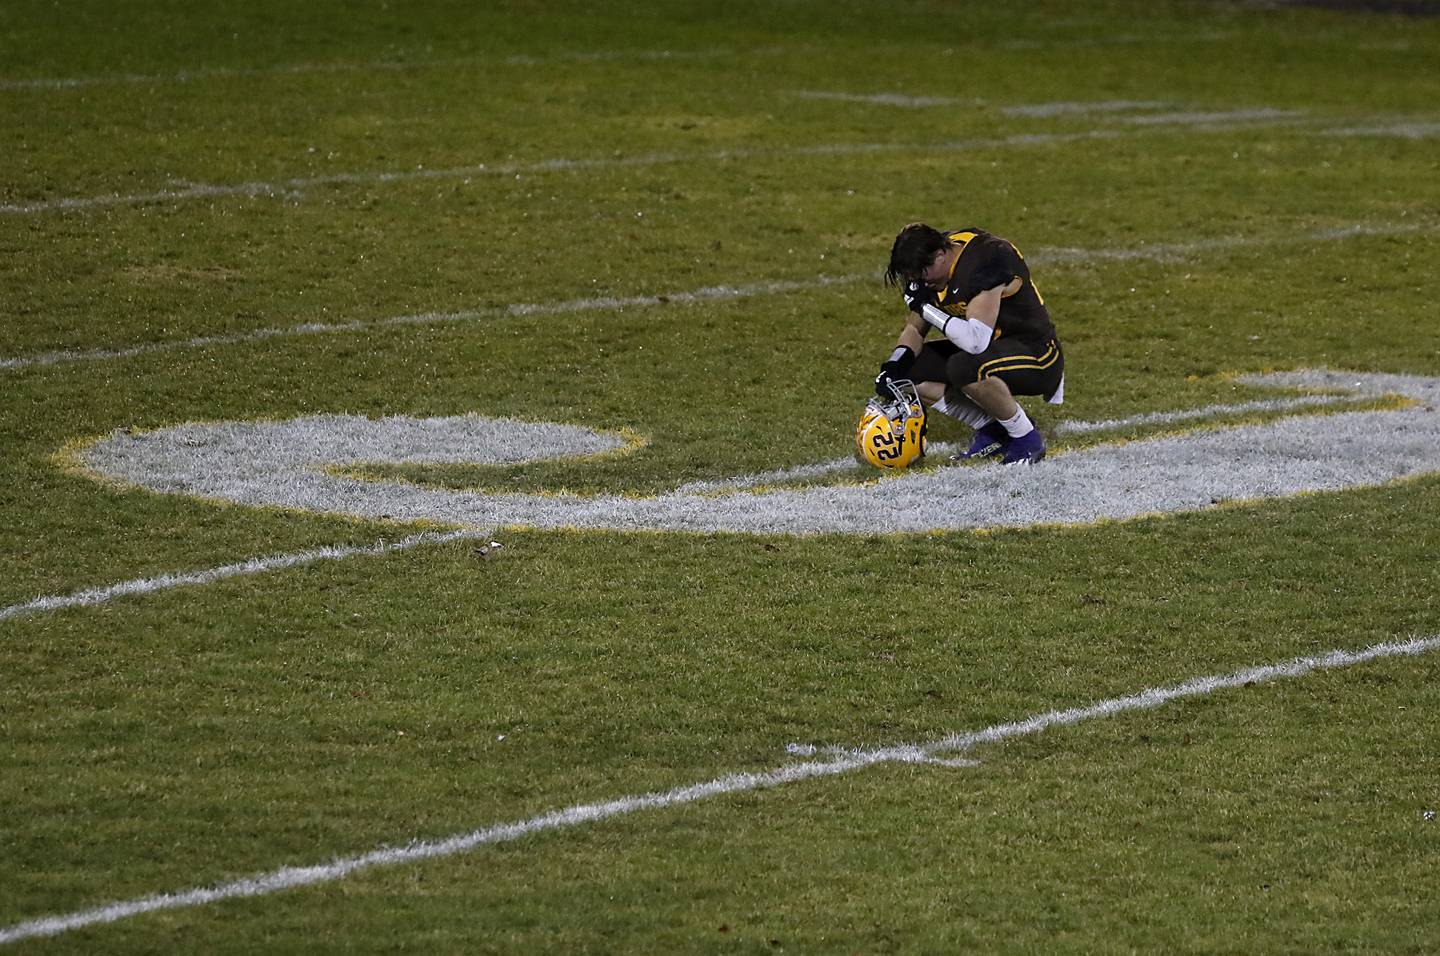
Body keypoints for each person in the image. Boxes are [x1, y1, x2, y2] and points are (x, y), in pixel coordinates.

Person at [875, 223, 1064, 465]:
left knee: (964, 366)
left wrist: (925, 307)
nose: (919, 282)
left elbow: (975, 341)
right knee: (907, 374)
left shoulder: (985, 261)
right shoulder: (935, 265)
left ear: (941, 256)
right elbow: (914, 328)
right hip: (992, 348)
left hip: (1036, 353)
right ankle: (995, 430)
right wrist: (894, 365)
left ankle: (1026, 438)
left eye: (922, 273)